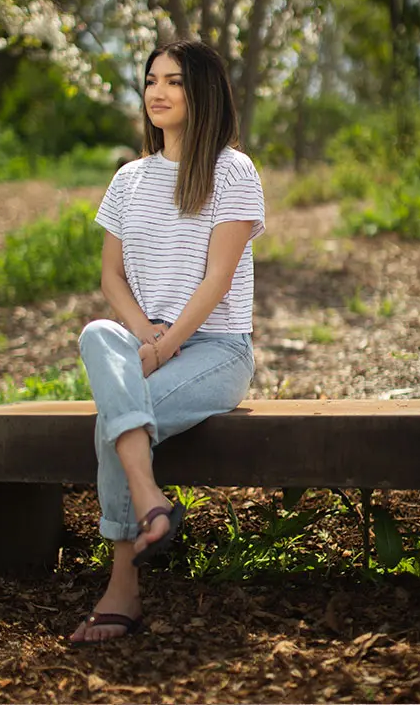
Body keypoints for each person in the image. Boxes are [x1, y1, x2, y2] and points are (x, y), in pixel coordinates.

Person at [69, 40, 265, 644]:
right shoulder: (129, 178)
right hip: (144, 341)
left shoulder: (232, 170)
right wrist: (144, 337)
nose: (157, 91)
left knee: (118, 419)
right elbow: (111, 277)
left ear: (201, 91)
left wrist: (167, 344)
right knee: (97, 332)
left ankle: (122, 589)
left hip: (216, 348)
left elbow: (219, 279)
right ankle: (150, 496)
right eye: (151, 79)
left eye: (174, 81)